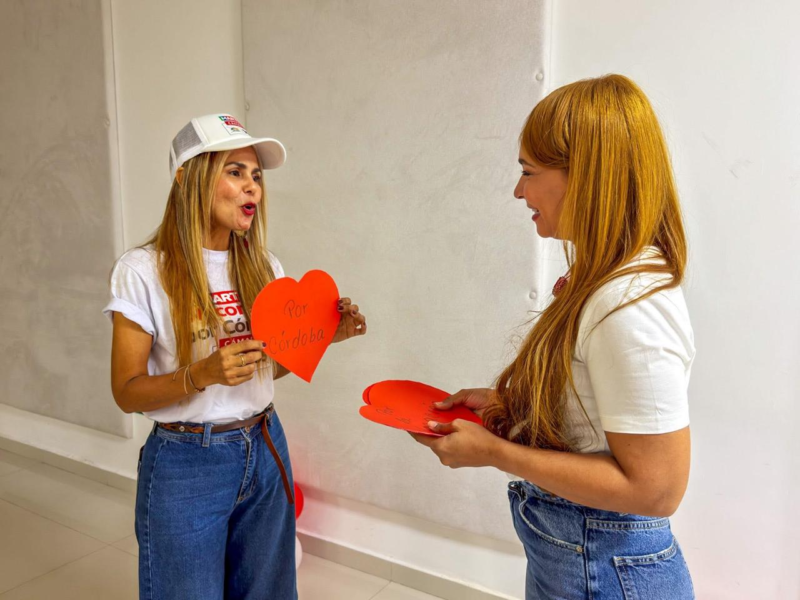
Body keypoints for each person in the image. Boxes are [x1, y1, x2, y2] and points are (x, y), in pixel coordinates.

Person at [411, 76, 695, 599]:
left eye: (528, 172)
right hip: (581, 556)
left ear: (586, 177)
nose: (518, 192)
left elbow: (656, 489)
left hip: (603, 568)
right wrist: (512, 407)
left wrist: (497, 452)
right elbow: (596, 419)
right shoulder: (604, 281)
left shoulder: (627, 304)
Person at [104, 114, 367, 600]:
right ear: (187, 177)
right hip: (187, 461)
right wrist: (201, 374)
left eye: (257, 176)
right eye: (235, 171)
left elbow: (265, 370)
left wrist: (324, 338)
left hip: (265, 445)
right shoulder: (142, 270)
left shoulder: (265, 267)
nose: (252, 188)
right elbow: (126, 392)